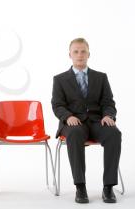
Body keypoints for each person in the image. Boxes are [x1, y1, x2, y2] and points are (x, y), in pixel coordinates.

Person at [51, 38, 122, 204]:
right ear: (70, 55)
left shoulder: (101, 77)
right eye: (76, 51)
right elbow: (57, 104)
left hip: (98, 121)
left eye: (83, 51)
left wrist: (108, 115)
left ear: (89, 54)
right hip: (74, 123)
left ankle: (108, 187)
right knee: (74, 134)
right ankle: (80, 186)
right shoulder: (60, 79)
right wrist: (68, 117)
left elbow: (108, 102)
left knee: (114, 134)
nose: (80, 55)